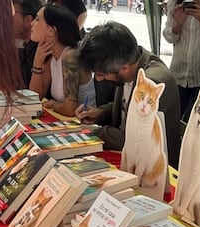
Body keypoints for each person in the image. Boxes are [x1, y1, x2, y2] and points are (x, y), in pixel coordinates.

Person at [0, 0, 86, 227]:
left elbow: (38, 101)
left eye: (34, 18)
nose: (21, 21)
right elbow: (37, 96)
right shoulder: (46, 56)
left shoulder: (71, 58)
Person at [75, 22, 182, 169]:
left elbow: (133, 141)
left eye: (101, 74)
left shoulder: (151, 83)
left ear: (124, 68)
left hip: (154, 169)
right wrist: (101, 112)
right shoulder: (132, 63)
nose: (99, 79)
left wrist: (93, 132)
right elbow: (129, 105)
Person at [29, 4, 96, 117]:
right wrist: (37, 63)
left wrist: (54, 105)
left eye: (37, 19)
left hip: (84, 123)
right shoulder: (50, 55)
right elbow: (35, 97)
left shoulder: (70, 57)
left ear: (51, 31)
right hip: (65, 120)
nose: (31, 23)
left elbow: (70, 109)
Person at [12, 0, 42, 88]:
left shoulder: (41, 48)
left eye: (13, 14)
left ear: (28, 20)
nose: (6, 18)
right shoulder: (14, 43)